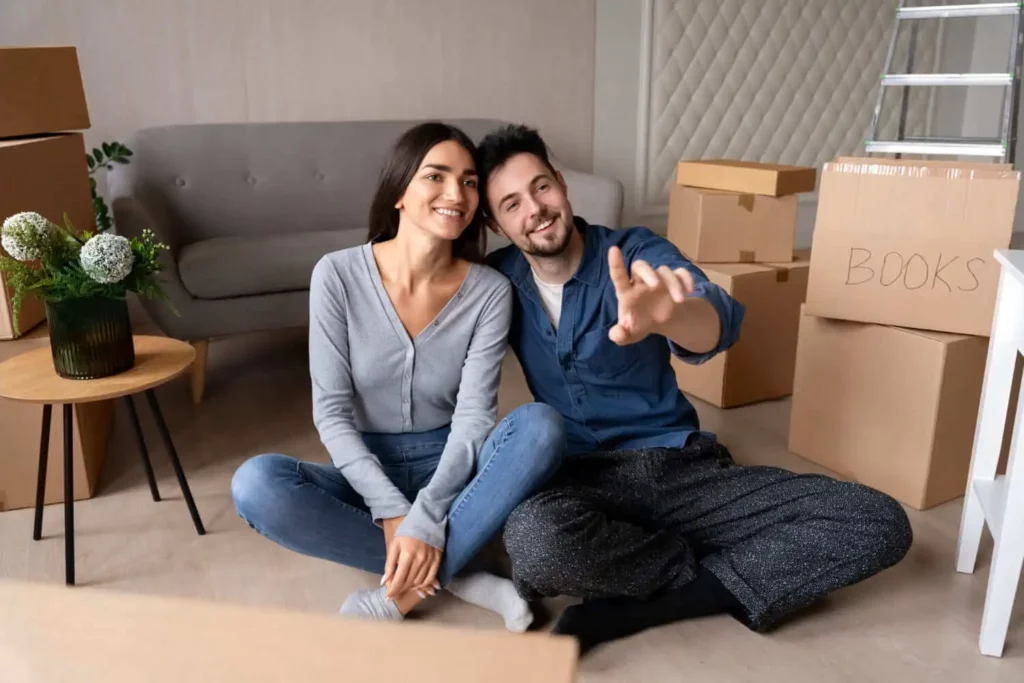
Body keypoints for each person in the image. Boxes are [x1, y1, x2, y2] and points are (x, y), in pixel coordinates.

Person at [477, 123, 913, 653]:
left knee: (877, 520)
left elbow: (716, 319)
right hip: (578, 481)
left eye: (541, 187)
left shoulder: (635, 252)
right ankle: (717, 567)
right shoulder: (497, 283)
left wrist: (671, 315)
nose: (535, 210)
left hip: (679, 469)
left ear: (563, 185)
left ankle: (659, 599)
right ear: (499, 225)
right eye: (512, 203)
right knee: (534, 542)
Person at [230, 122, 565, 631]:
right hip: (365, 470)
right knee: (256, 485)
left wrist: (428, 512)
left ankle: (397, 596)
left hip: (453, 465)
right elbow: (332, 412)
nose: (456, 194)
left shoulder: (490, 292)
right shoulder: (337, 275)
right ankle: (461, 574)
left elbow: (475, 420)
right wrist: (389, 508)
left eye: (470, 182)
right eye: (436, 176)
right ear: (400, 192)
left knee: (542, 427)